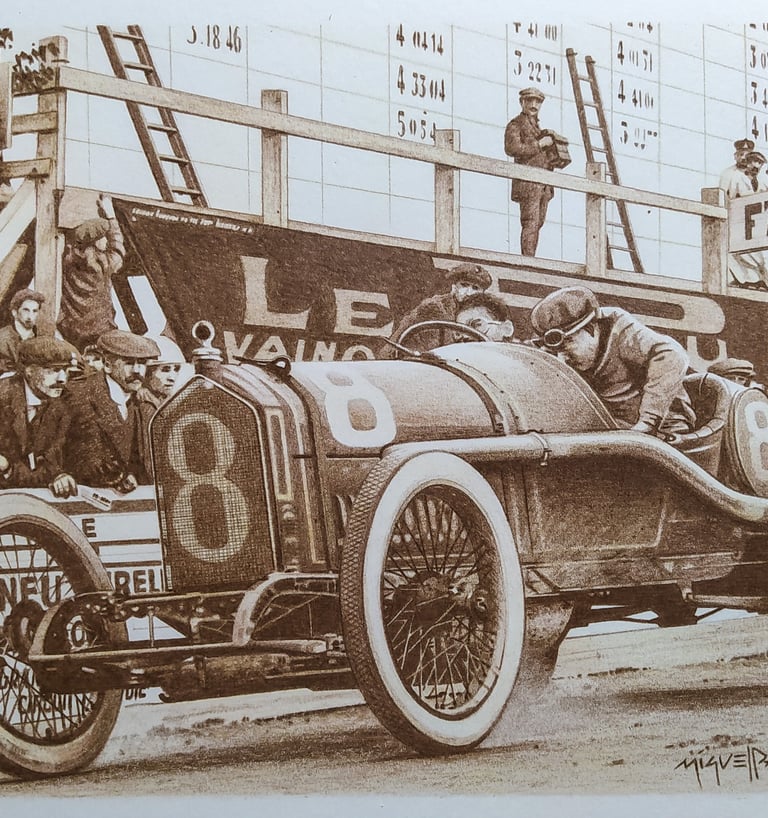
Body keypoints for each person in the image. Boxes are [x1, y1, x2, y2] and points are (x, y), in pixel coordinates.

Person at [530, 286, 695, 436]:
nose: (563, 358)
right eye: (557, 351)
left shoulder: (622, 331)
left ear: (591, 329)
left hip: (663, 429)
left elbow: (672, 355)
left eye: (568, 343)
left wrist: (648, 422)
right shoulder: (567, 356)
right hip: (609, 428)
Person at [62, 330, 159, 491]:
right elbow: (85, 453)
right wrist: (120, 477)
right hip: (88, 496)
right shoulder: (80, 394)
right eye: (128, 363)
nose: (137, 371)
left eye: (142, 363)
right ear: (107, 365)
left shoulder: (144, 405)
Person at [0, 336, 79, 497]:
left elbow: (51, 463)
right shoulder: (3, 397)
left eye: (65, 370)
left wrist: (59, 476)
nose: (62, 379)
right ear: (29, 371)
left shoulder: (64, 404)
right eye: (53, 370)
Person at [504, 87, 569, 256]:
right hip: (528, 183)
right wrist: (540, 144)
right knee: (530, 222)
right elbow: (512, 148)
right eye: (529, 101)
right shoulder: (515, 124)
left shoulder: (537, 127)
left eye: (538, 102)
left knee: (538, 222)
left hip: (543, 184)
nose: (534, 105)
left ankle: (530, 257)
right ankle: (528, 260)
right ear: (522, 102)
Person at [57, 193, 126, 350]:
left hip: (71, 332)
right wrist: (111, 217)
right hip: (102, 331)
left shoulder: (66, 260)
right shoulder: (105, 264)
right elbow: (118, 248)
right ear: (97, 241)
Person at [383, 262, 493, 355]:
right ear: (454, 286)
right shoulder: (435, 308)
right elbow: (435, 352)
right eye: (464, 285)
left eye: (475, 288)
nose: (469, 293)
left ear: (482, 293)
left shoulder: (481, 314)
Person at [719, 140, 768, 290]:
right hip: (737, 221)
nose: (755, 166)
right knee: (737, 254)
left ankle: (759, 281)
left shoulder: (760, 181)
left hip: (755, 225)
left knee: (759, 257)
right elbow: (724, 196)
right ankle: (745, 281)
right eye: (741, 155)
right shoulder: (731, 175)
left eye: (759, 164)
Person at [0, 288, 45, 374]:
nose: (30, 316)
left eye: (34, 311)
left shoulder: (42, 338)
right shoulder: (2, 338)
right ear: (14, 312)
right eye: (26, 310)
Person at [137, 335, 186, 409]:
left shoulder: (168, 401)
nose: (172, 378)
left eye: (176, 369)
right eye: (165, 370)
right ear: (147, 373)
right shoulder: (142, 406)